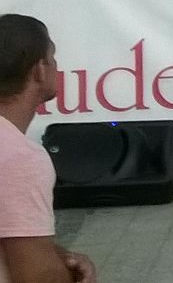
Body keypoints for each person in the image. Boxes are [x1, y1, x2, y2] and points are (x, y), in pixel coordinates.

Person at [0, 15, 99, 283]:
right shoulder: (19, 158)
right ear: (39, 71)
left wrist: (57, 255)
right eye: (52, 58)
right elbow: (36, 276)